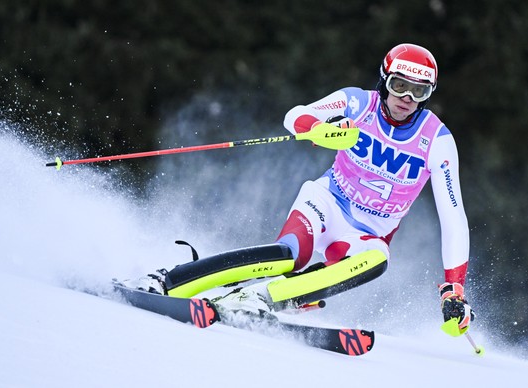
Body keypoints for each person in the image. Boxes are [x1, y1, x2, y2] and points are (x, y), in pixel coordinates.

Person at [123, 43, 475, 334]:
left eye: (420, 91)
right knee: (288, 256)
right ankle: (168, 280)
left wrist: (453, 288)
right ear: (385, 81)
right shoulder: (358, 103)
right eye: (400, 86)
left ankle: (259, 297)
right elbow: (296, 115)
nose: (407, 98)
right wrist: (318, 128)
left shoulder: (437, 140)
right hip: (326, 203)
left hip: (366, 235)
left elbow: (454, 217)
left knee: (378, 259)